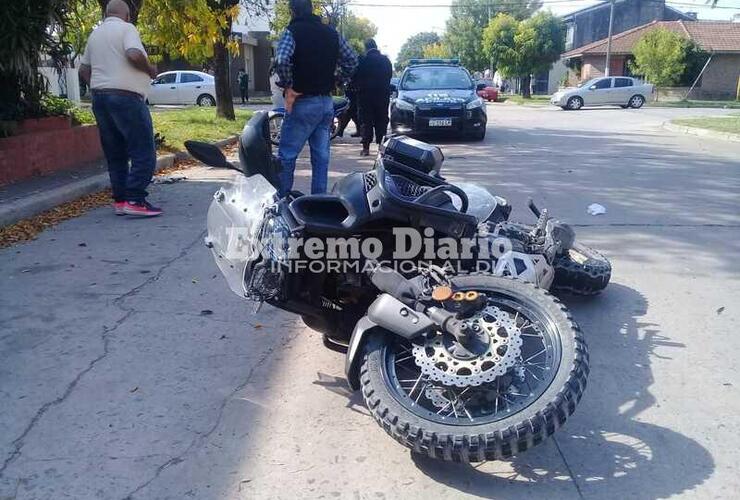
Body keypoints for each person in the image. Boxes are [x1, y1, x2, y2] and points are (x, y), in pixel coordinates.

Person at [78, 0, 161, 217]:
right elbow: (133, 54)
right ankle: (135, 198)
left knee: (115, 152)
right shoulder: (127, 29)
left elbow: (84, 69)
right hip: (127, 98)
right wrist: (150, 69)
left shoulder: (95, 35)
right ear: (126, 15)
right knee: (143, 150)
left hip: (100, 98)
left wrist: (100, 86)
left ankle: (121, 200)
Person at [274, 0, 357, 197]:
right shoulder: (332, 33)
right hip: (326, 104)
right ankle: (318, 201)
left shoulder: (292, 32)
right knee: (321, 157)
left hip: (302, 102)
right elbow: (352, 59)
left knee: (287, 155)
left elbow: (281, 59)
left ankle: (282, 200)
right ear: (312, 9)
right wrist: (338, 79)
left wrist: (288, 85)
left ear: (292, 11)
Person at [355, 39, 393, 156]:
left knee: (366, 120)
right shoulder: (386, 60)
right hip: (382, 94)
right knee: (381, 119)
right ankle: (381, 146)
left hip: (365, 95)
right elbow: (389, 75)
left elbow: (355, 75)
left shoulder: (362, 60)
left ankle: (366, 148)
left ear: (366, 48)